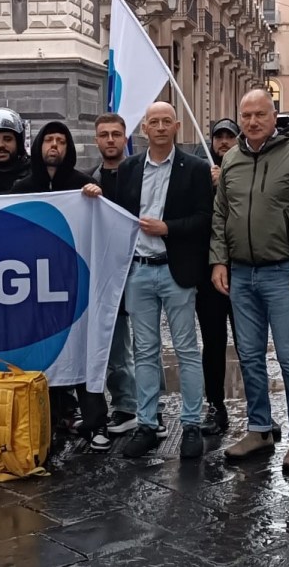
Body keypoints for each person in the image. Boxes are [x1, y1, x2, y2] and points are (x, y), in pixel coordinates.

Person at [211, 90, 289, 472]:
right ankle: (259, 428)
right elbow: (220, 215)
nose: (252, 122)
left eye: (259, 114)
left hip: (283, 272)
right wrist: (219, 261)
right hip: (241, 273)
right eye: (245, 115)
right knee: (248, 355)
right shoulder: (232, 158)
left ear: (273, 116)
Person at [91, 101, 212, 460]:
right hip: (139, 271)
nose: (159, 127)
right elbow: (116, 215)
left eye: (166, 121)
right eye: (153, 122)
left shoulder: (195, 168)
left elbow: (204, 218)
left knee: (186, 350)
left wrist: (168, 228)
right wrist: (91, 194)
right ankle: (146, 423)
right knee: (144, 351)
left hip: (177, 270)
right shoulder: (128, 168)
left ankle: (191, 424)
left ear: (176, 127)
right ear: (144, 129)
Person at [13, 121, 109, 447]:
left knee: (82, 350)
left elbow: (102, 225)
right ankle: (49, 422)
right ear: (39, 145)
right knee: (44, 353)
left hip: (74, 284)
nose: (54, 145)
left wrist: (97, 198)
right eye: (49, 140)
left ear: (68, 148)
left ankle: (96, 422)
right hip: (33, 285)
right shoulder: (22, 187)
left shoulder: (83, 184)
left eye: (61, 141)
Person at [91, 113, 139, 438]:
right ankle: (125, 405)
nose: (110, 140)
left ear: (125, 138)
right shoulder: (89, 180)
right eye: (104, 134)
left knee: (147, 342)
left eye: (116, 134)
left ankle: (150, 406)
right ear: (97, 140)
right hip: (106, 270)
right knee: (115, 342)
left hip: (141, 266)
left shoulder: (141, 174)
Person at [195, 118, 240, 436]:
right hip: (209, 273)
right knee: (213, 342)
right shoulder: (200, 173)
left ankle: (260, 411)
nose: (223, 141)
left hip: (243, 272)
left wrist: (227, 182)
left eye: (229, 136)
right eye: (218, 136)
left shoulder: (247, 169)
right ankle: (215, 405)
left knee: (248, 344)